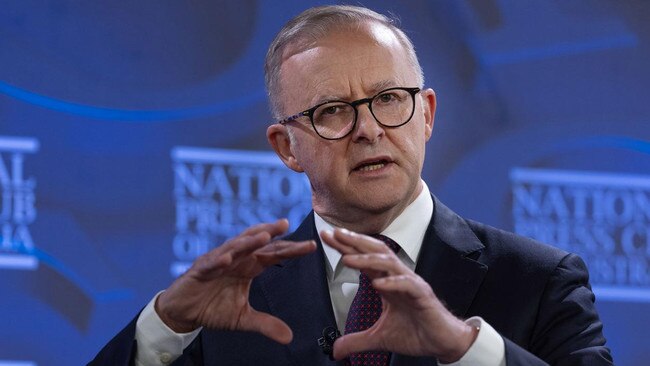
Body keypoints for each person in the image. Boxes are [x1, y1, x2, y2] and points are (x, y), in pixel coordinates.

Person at [90, 5, 613, 366]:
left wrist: (462, 347)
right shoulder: (234, 303)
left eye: (389, 99)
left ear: (426, 115)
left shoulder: (539, 281)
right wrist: (165, 326)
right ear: (286, 148)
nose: (369, 129)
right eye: (333, 111)